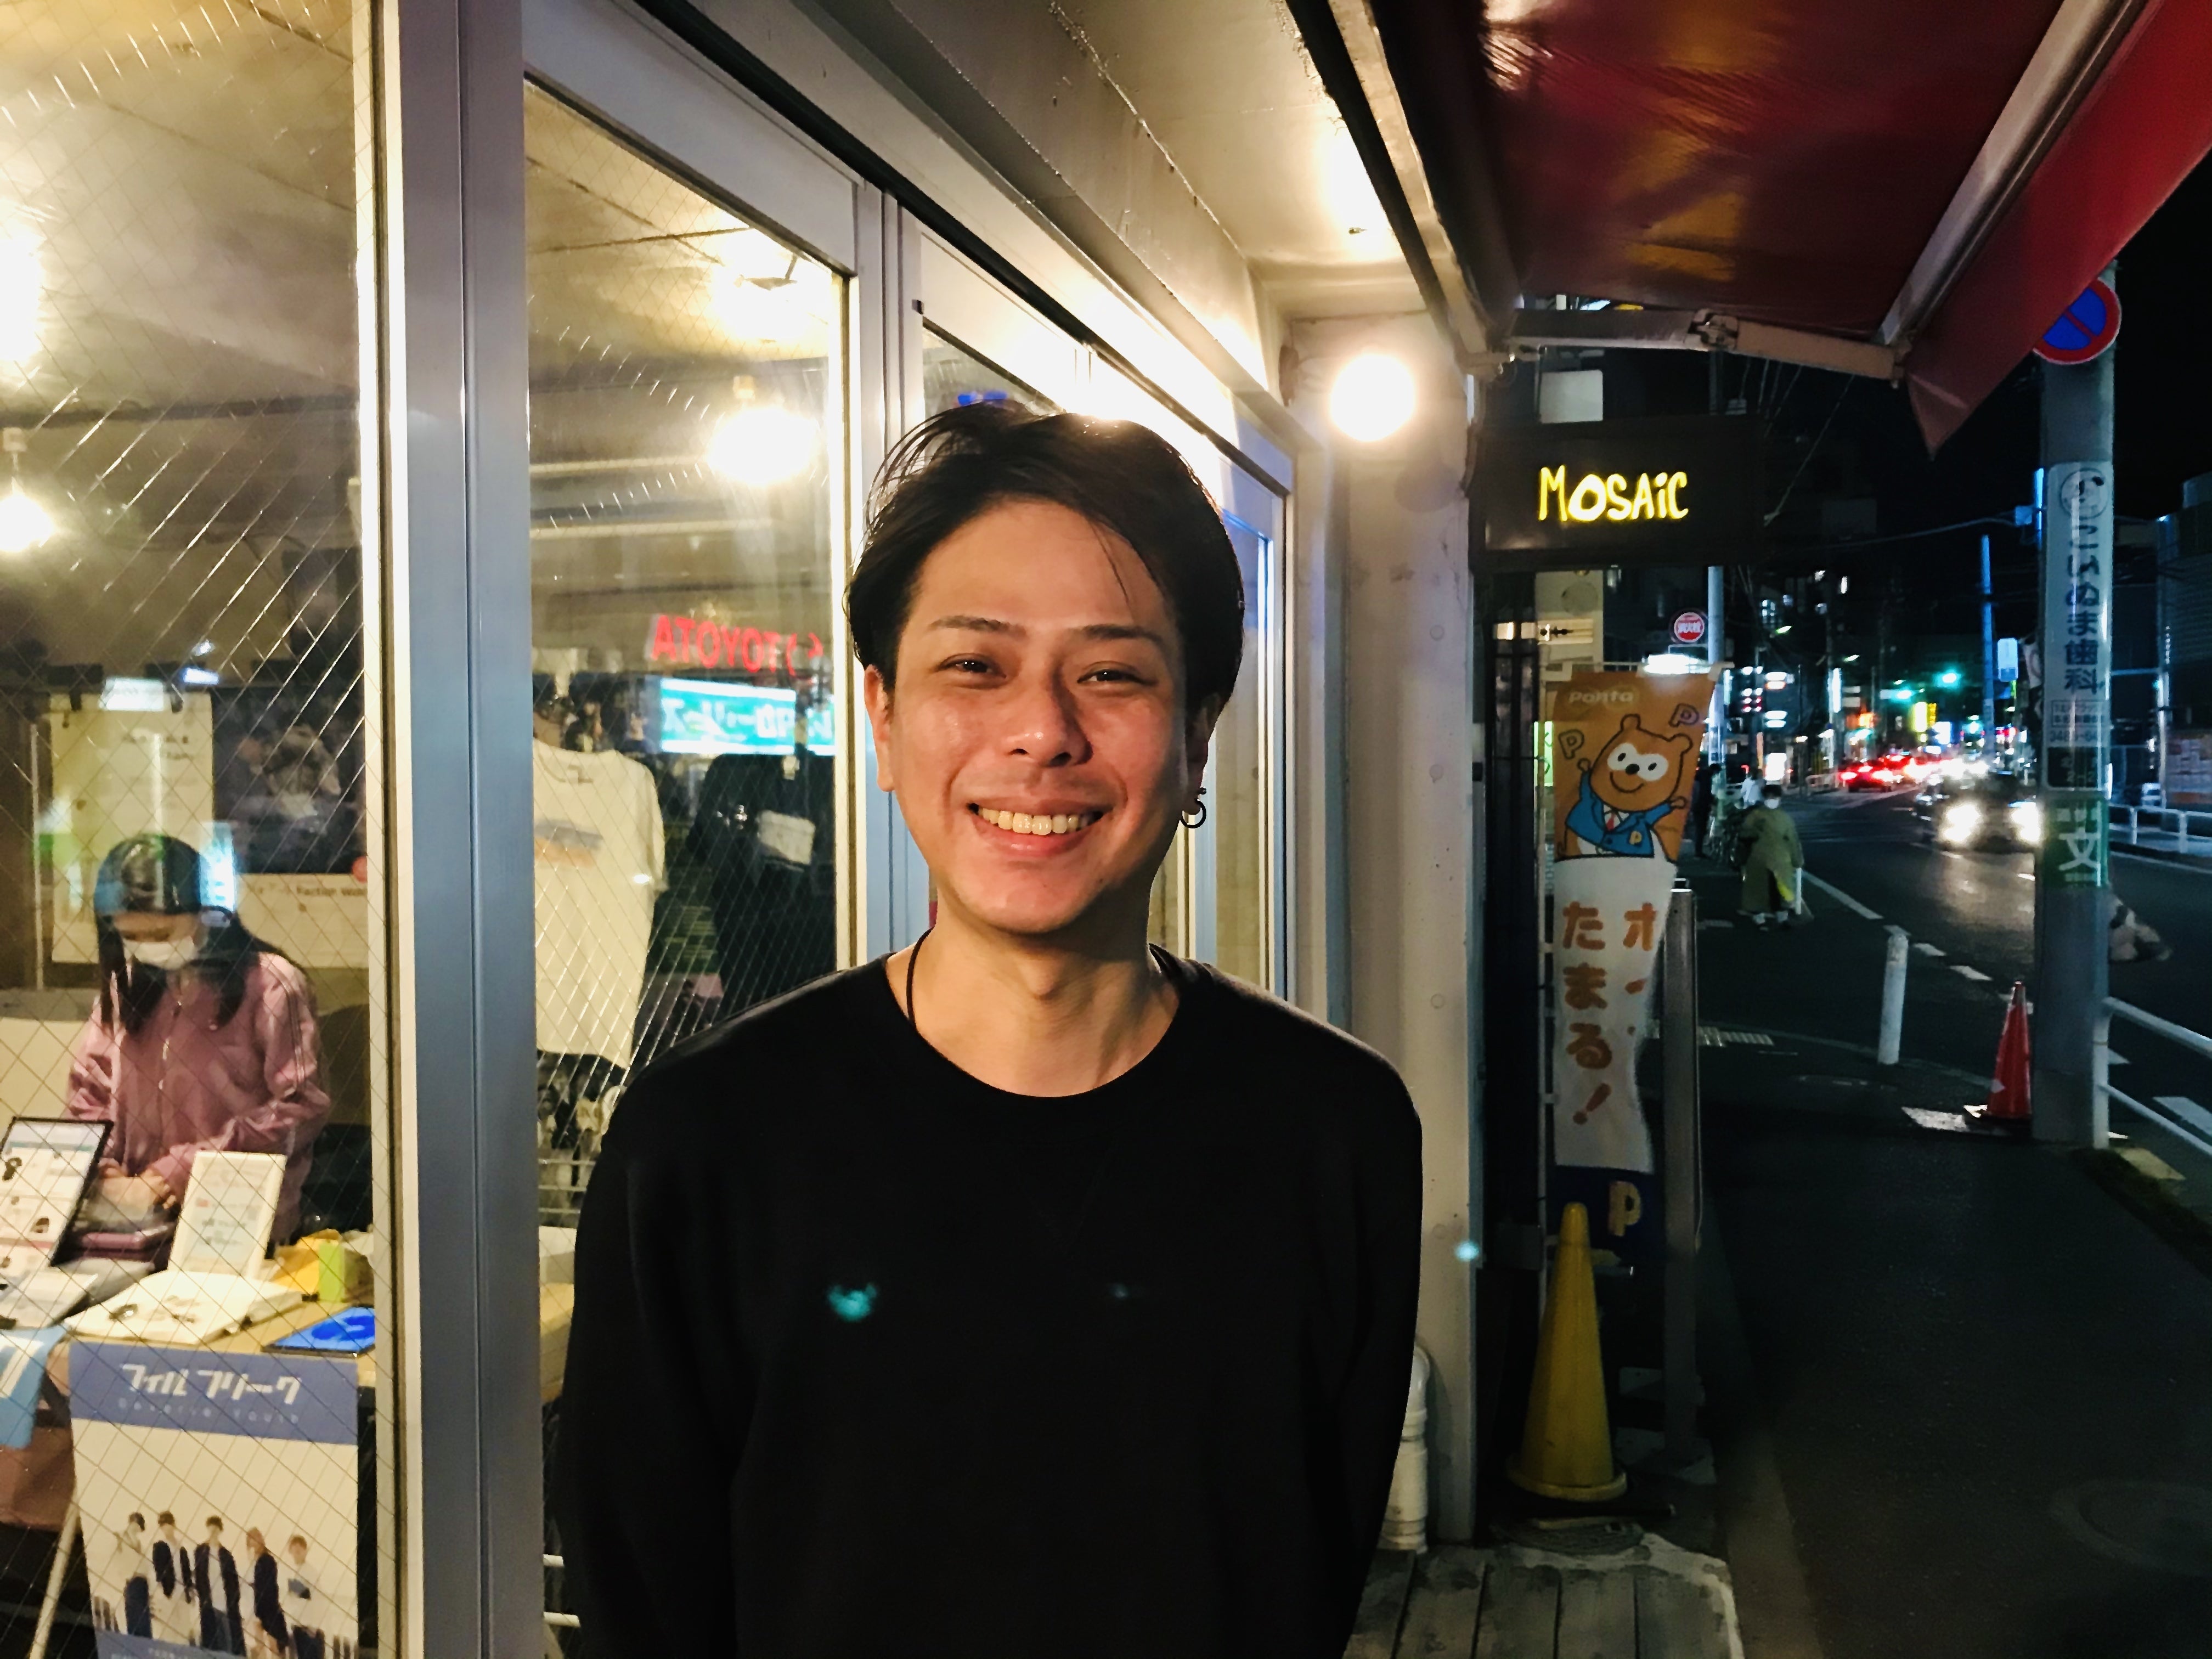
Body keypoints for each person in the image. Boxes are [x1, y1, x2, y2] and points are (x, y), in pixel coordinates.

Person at [559, 404, 1422, 1659]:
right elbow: (643, 1617)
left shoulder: (1333, 1132)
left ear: (1197, 734)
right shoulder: (704, 1151)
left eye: (1112, 673)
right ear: (882, 717)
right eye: (975, 666)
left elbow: (1309, 1583)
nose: (1041, 732)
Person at [65, 833, 330, 1242]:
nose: (148, 950)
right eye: (132, 937)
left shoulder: (270, 985)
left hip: (236, 1217)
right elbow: (89, 1095)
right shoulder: (126, 988)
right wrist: (102, 1171)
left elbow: (301, 1107)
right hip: (133, 1218)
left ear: (206, 911)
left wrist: (180, 1171)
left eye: (162, 934)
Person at [1736, 783, 1804, 928]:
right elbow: (1793, 841)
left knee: (1766, 889)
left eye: (1774, 797)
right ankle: (1778, 918)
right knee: (1776, 889)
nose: (1772, 800)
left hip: (1763, 858)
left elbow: (1743, 834)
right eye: (1770, 797)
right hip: (1775, 860)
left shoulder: (1757, 816)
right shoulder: (1782, 818)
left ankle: (1765, 918)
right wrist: (1797, 860)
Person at [193, 1516, 244, 1654]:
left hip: (225, 1604)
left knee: (228, 1641)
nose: (213, 1533)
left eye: (216, 1530)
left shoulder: (226, 1555)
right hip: (209, 1604)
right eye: (211, 1529)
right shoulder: (201, 1551)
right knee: (212, 1639)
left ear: (220, 1531)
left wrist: (233, 1600)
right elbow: (199, 1576)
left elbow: (233, 1581)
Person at [245, 1527, 288, 1658]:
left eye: (256, 1538)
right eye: (252, 1539)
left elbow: (268, 1587)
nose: (254, 1542)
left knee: (271, 1643)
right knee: (263, 1643)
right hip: (261, 1606)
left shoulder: (266, 1560)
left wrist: (260, 1610)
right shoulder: (257, 1559)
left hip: (266, 1607)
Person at [153, 1511, 195, 1643]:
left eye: (168, 1525)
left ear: (173, 1525)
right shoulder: (159, 1547)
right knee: (170, 1631)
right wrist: (163, 1590)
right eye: (163, 1526)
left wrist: (190, 1590)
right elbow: (159, 1570)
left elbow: (187, 1572)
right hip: (169, 1593)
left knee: (184, 1630)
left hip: (182, 1593)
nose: (167, 1528)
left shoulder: (182, 1549)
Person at [283, 1534, 328, 1659]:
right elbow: (292, 1601)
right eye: (294, 1550)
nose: (297, 1554)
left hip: (310, 1630)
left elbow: (318, 1600)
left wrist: (314, 1627)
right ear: (290, 1551)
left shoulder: (311, 1573)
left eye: (300, 1550)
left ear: (306, 1551)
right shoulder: (293, 1573)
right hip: (298, 1628)